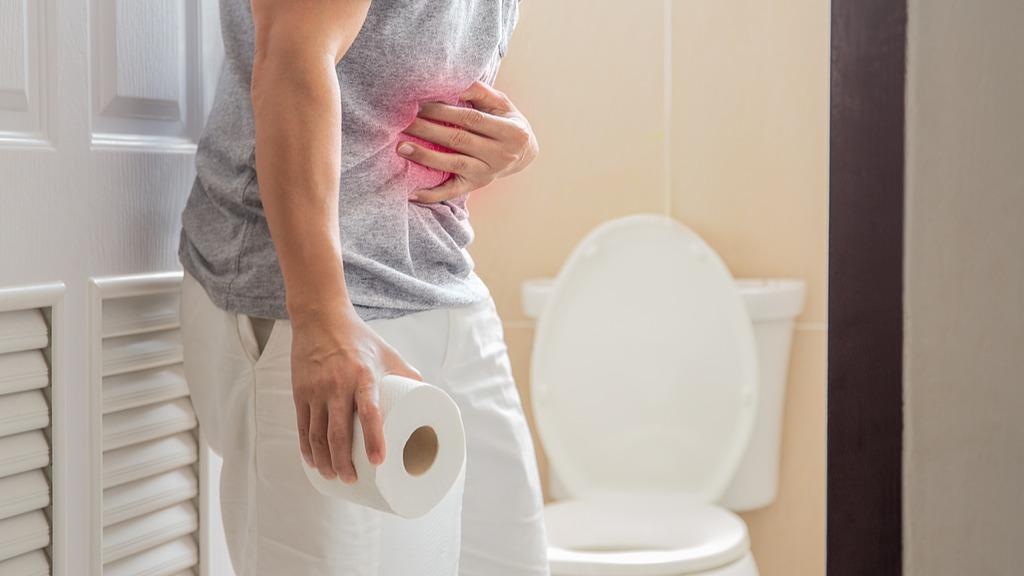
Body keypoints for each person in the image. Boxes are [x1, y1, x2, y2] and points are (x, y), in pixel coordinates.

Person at [176, 0, 548, 574]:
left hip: (444, 281)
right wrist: (321, 318)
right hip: (316, 307)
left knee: (509, 561)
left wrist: (514, 145)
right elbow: (293, 57)